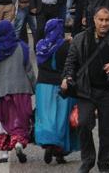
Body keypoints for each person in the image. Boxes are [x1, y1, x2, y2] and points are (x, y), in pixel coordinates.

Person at [61, 8, 109, 173]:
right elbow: (70, 62)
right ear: (94, 20)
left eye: (107, 20)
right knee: (83, 123)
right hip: (87, 90)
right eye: (100, 20)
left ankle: (103, 163)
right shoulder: (81, 39)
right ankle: (88, 160)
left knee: (108, 132)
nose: (103, 23)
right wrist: (67, 78)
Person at [0, 21, 35, 164]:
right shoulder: (23, 47)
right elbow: (29, 70)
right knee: (20, 119)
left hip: (2, 92)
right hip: (22, 91)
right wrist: (34, 87)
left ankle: (3, 153)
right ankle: (18, 142)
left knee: (4, 120)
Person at [35, 19, 80, 164]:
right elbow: (73, 64)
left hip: (43, 85)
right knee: (62, 118)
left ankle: (48, 143)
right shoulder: (65, 46)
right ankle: (60, 152)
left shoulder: (41, 45)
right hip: (62, 85)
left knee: (46, 116)